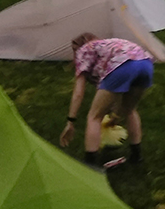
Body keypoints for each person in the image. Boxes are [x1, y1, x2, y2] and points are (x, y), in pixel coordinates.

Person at [60, 33, 153, 168]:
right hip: (145, 63)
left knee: (94, 117)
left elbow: (78, 93)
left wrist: (71, 121)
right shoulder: (108, 44)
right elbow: (119, 90)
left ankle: (91, 165)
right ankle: (136, 156)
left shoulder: (83, 51)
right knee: (130, 110)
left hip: (122, 65)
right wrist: (116, 114)